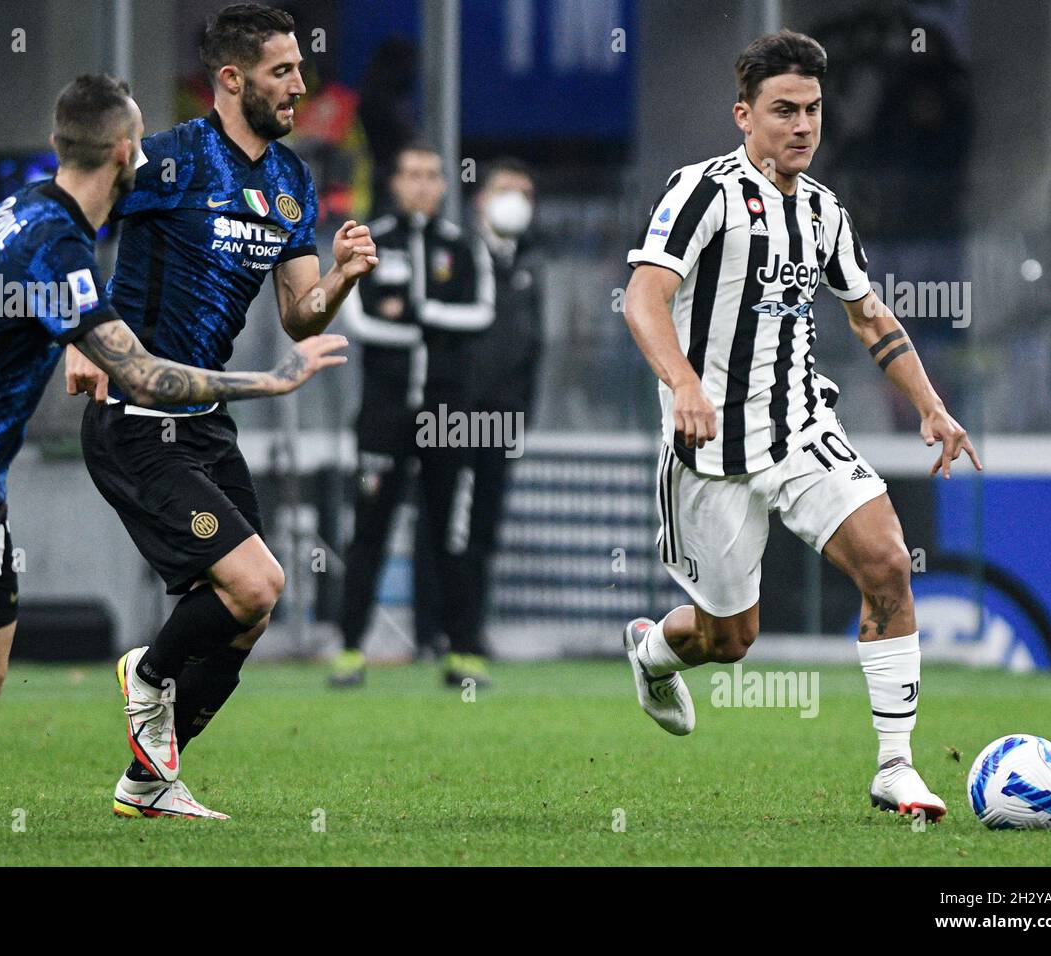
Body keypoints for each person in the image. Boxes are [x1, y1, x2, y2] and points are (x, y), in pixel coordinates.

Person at [0, 73, 347, 845]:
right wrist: (273, 379)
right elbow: (139, 372)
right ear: (127, 152)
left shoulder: (24, 209)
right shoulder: (55, 241)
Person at [621, 30, 981, 821]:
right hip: (709, 448)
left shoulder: (822, 210)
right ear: (743, 115)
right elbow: (642, 297)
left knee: (888, 563)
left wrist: (930, 403)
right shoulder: (702, 192)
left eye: (813, 109)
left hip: (800, 428)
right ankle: (653, 653)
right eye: (784, 109)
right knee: (730, 640)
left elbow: (868, 315)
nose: (803, 125)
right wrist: (682, 381)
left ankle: (896, 768)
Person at [62, 4, 378, 818]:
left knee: (252, 610)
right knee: (256, 579)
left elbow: (301, 311)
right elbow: (68, 222)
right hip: (137, 411)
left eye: (301, 69)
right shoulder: (168, 160)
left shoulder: (290, 180)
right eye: (281, 72)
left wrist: (339, 276)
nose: (298, 86)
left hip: (205, 416)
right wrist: (75, 335)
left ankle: (148, 781)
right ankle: (150, 676)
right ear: (230, 79)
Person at [329, 142, 494, 689]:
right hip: (385, 411)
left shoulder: (464, 248)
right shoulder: (369, 241)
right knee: (369, 527)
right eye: (412, 174)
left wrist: (427, 314)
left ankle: (462, 651)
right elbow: (360, 320)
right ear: (395, 182)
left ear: (445, 184)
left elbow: (483, 315)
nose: (422, 184)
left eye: (432, 175)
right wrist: (426, 326)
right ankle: (350, 649)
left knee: (452, 531)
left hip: (449, 415)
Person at [412, 158, 543, 674]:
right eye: (508, 190)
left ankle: (469, 629)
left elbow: (535, 347)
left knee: (482, 527)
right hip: (453, 414)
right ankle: (435, 632)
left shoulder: (529, 263)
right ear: (480, 199)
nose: (519, 201)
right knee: (445, 524)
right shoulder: (458, 255)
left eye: (526, 193)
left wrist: (523, 417)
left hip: (504, 418)